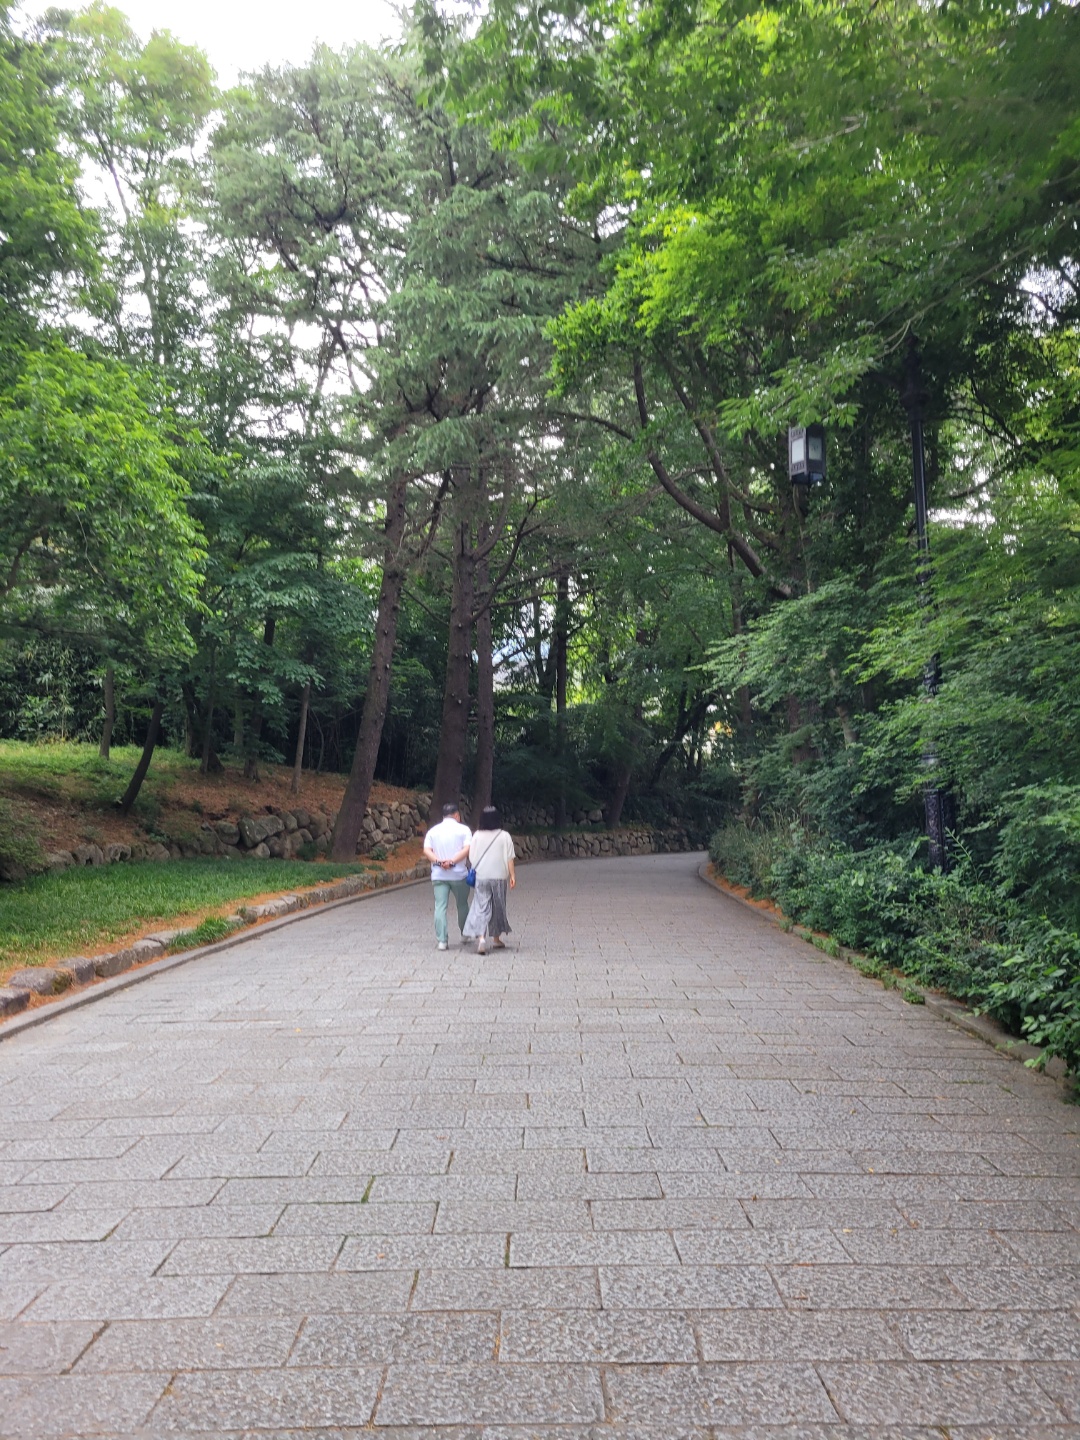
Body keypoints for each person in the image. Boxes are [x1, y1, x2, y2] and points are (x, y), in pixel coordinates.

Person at [462, 805, 516, 955]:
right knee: (498, 907)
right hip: (499, 877)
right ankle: (496, 939)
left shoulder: (477, 835)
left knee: (481, 906)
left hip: (482, 876)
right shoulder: (504, 836)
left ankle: (481, 939)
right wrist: (512, 875)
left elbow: (472, 857)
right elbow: (510, 858)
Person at [422, 802, 472, 951]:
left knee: (440, 906)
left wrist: (439, 861)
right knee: (462, 904)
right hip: (459, 874)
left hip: (439, 874)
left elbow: (427, 850)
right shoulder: (464, 830)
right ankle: (465, 933)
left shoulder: (433, 831)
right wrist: (452, 862)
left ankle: (442, 941)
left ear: (443, 816)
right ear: (456, 815)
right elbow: (467, 849)